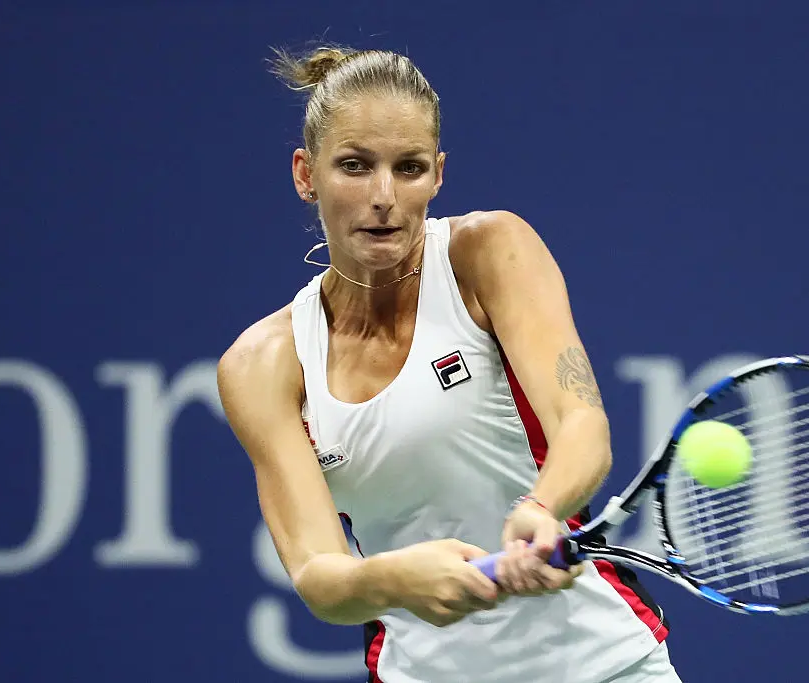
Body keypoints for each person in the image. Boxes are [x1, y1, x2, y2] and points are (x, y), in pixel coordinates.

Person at [217, 44, 682, 683]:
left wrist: (541, 507)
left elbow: (582, 424)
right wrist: (394, 578)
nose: (383, 196)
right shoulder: (262, 365)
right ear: (306, 174)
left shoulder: (488, 252)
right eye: (354, 166)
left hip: (605, 667)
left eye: (408, 168)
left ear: (437, 176)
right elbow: (319, 577)